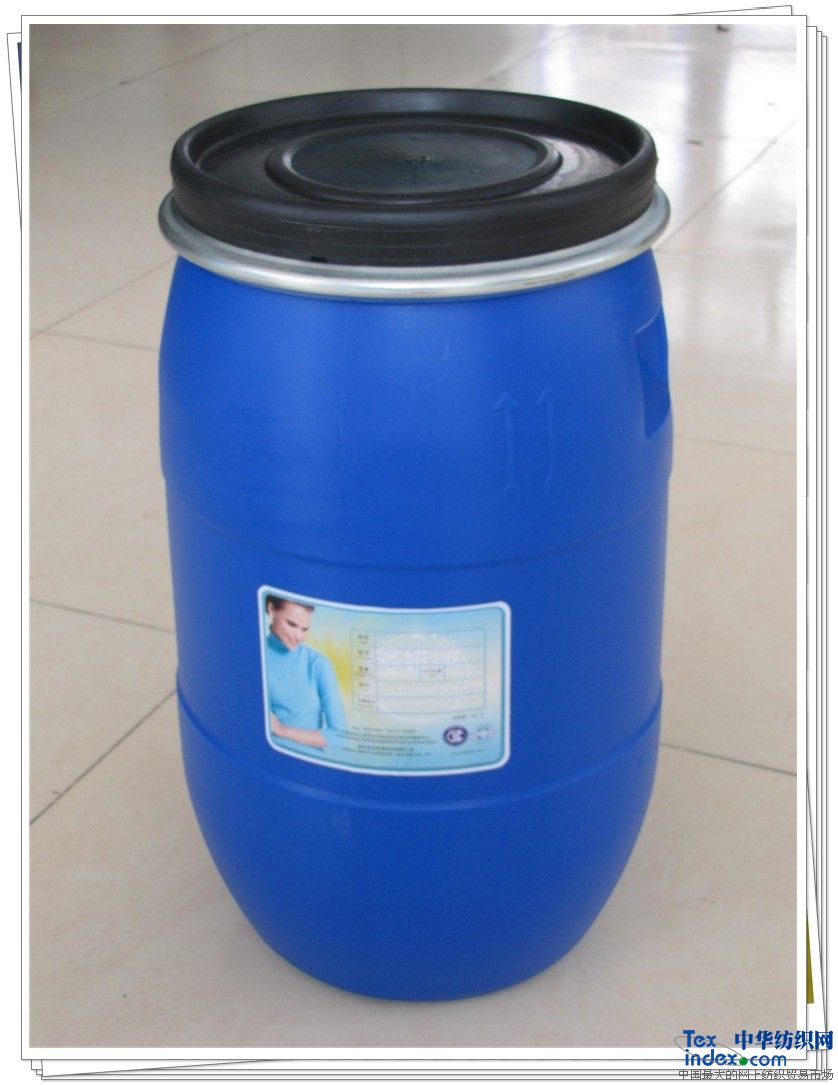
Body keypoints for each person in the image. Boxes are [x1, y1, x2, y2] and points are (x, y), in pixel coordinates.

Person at [263, 595, 346, 750]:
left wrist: (283, 730)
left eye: (304, 629)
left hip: (310, 762)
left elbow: (340, 736)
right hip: (266, 756)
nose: (299, 636)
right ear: (271, 609)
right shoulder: (256, 656)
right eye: (291, 624)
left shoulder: (317, 664)